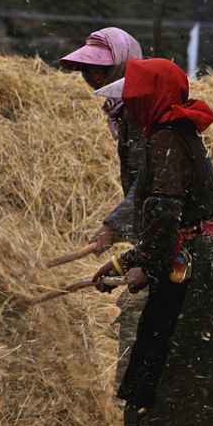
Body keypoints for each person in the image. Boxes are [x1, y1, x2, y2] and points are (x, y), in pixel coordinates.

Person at [92, 58, 213, 426]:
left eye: (136, 96)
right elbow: (166, 218)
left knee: (170, 374)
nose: (131, 104)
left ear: (151, 98)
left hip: (192, 270)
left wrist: (145, 267)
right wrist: (127, 260)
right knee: (189, 375)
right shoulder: (182, 134)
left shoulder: (164, 137)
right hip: (205, 263)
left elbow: (163, 214)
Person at [59, 28, 148, 397]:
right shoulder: (123, 109)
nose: (89, 75)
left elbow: (150, 183)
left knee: (138, 311)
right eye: (85, 68)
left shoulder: (142, 112)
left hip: (165, 236)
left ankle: (131, 403)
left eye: (98, 68)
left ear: (124, 65)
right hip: (150, 228)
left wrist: (113, 226)